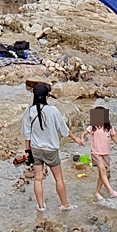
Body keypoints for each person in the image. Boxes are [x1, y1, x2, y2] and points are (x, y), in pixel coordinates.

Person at [22, 83, 74, 213]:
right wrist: (76, 139)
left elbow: (27, 133)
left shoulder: (29, 111)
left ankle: (41, 206)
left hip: (36, 149)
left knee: (38, 179)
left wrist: (27, 150)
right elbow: (63, 130)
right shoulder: (53, 110)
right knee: (58, 178)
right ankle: (64, 205)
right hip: (51, 150)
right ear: (46, 96)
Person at [82, 105, 117, 202]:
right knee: (103, 170)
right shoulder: (93, 126)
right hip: (96, 152)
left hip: (106, 153)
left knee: (102, 174)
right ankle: (111, 191)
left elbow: (114, 137)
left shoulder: (109, 127)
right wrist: (82, 139)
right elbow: (83, 134)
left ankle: (96, 192)